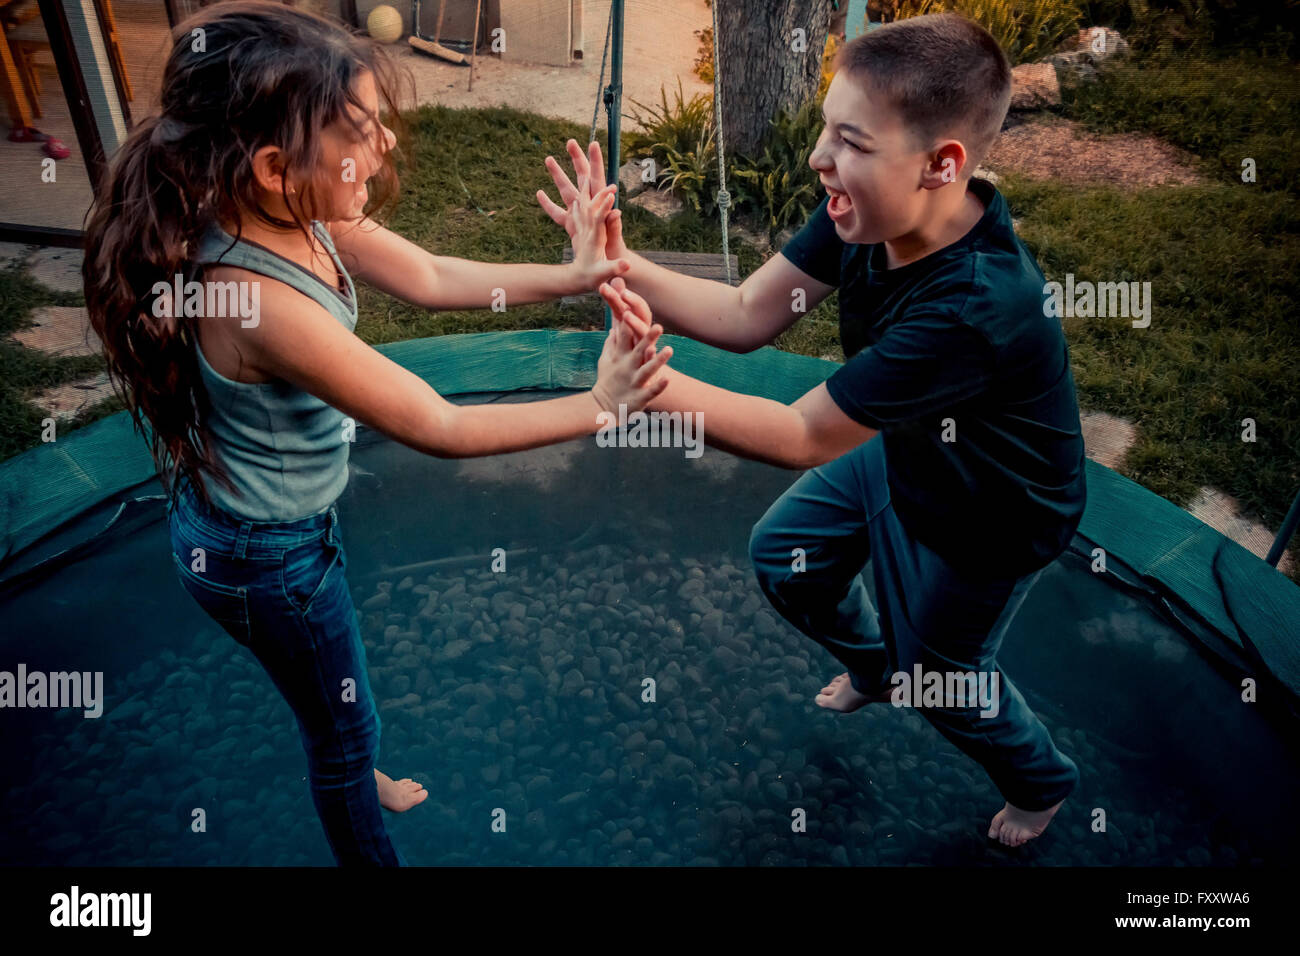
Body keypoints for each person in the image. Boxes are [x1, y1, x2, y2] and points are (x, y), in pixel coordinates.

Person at [81, 0, 669, 866]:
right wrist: (604, 407)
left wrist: (570, 275)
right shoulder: (265, 307)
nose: (386, 145)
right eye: (361, 131)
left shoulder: (294, 210)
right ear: (278, 165)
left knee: (328, 694)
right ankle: (358, 784)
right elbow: (438, 425)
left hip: (265, 534)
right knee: (345, 733)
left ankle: (352, 753)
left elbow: (428, 275)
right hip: (264, 558)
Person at [541, 12, 1086, 847]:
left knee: (937, 677)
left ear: (944, 164)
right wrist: (610, 263)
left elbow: (800, 434)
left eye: (851, 142)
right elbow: (744, 311)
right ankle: (872, 665)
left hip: (992, 516)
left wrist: (641, 386)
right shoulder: (870, 216)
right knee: (785, 560)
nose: (818, 159)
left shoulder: (974, 307)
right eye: (827, 129)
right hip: (905, 449)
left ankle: (1041, 781)